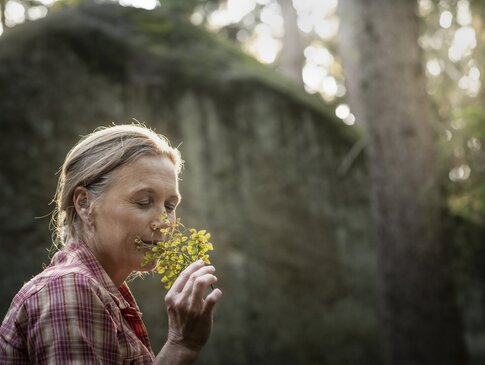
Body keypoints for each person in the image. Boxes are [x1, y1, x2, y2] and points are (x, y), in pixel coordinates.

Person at [0, 124, 222, 364]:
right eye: (144, 202)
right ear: (85, 204)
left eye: (169, 206)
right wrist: (180, 346)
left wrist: (184, 344)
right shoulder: (70, 288)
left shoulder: (100, 293)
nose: (164, 223)